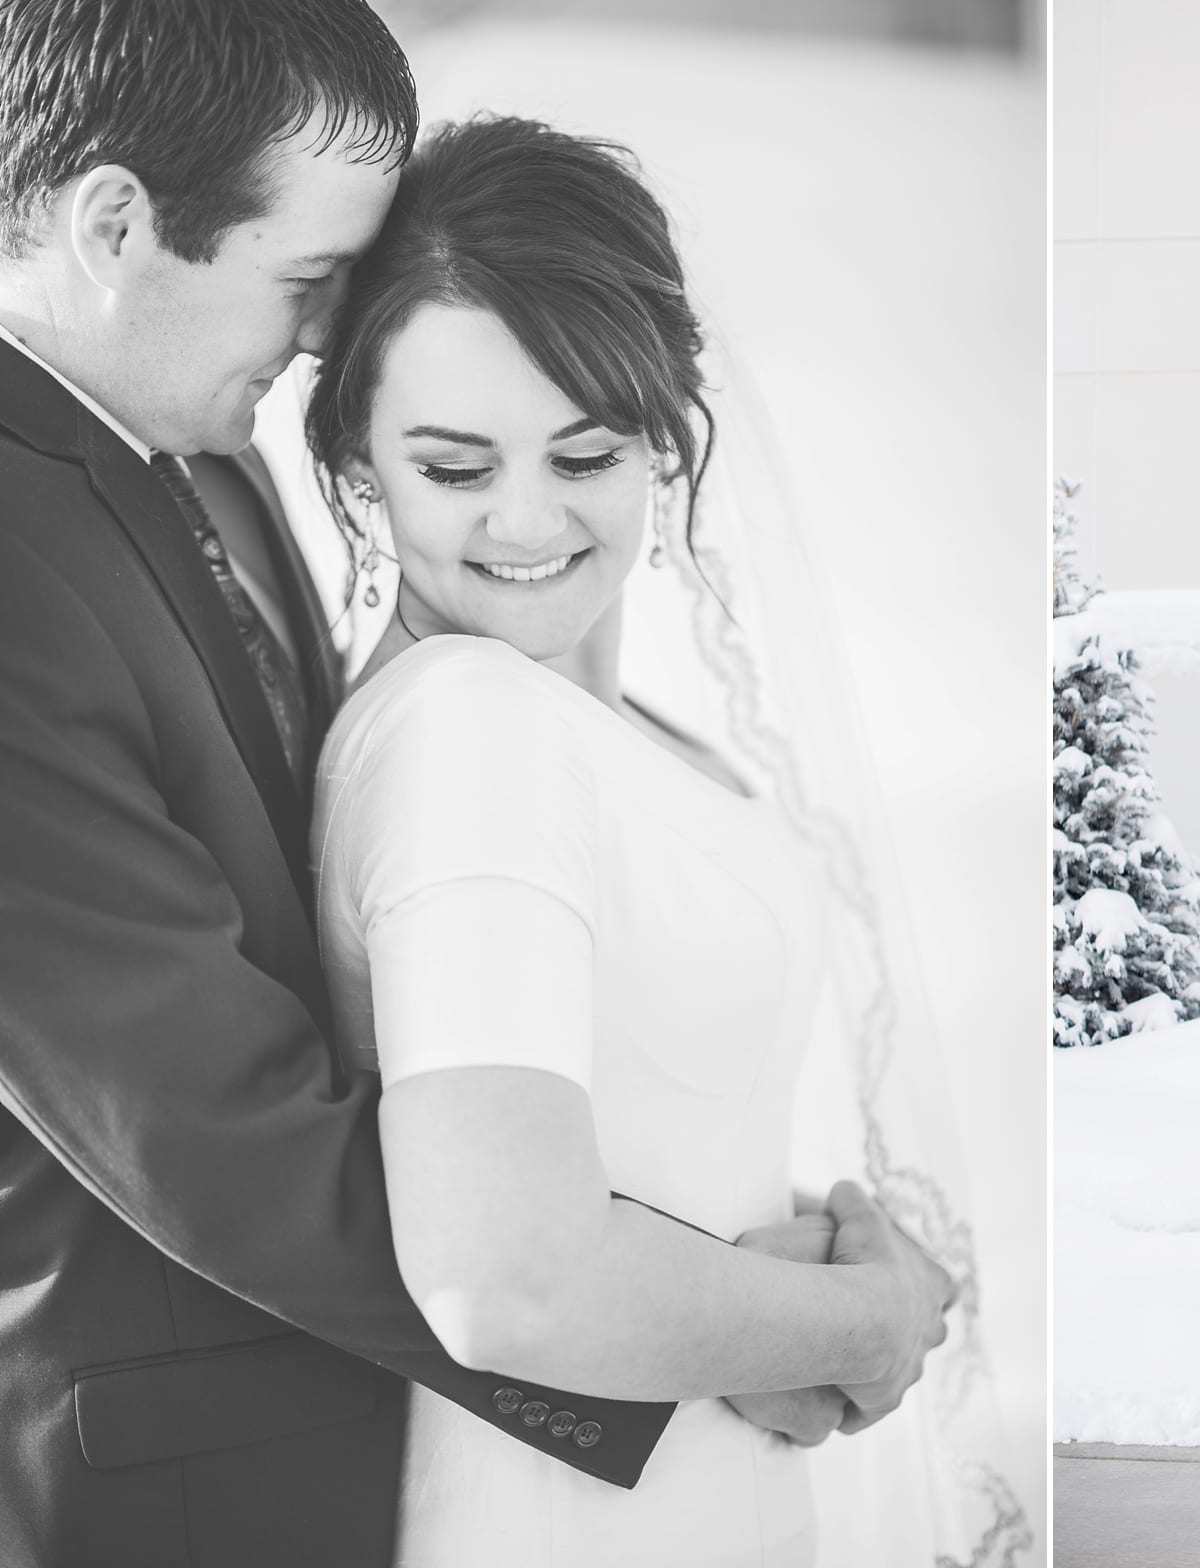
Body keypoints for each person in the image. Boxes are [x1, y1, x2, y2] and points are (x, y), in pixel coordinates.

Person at [0, 6, 946, 1563]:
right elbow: (226, 1137)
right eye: (309, 280)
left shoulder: (203, 450)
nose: (322, 336)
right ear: (116, 227)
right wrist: (791, 1326)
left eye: (590, 452)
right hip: (176, 1487)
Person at [305, 114, 955, 1566]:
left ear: (661, 436)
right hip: (562, 1518)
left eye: (585, 454)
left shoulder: (598, 731)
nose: (528, 522)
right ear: (360, 470)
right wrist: (874, 1316)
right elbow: (509, 1281)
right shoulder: (473, 730)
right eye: (456, 468)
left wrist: (786, 1249)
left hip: (691, 1486)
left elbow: (603, 1123)